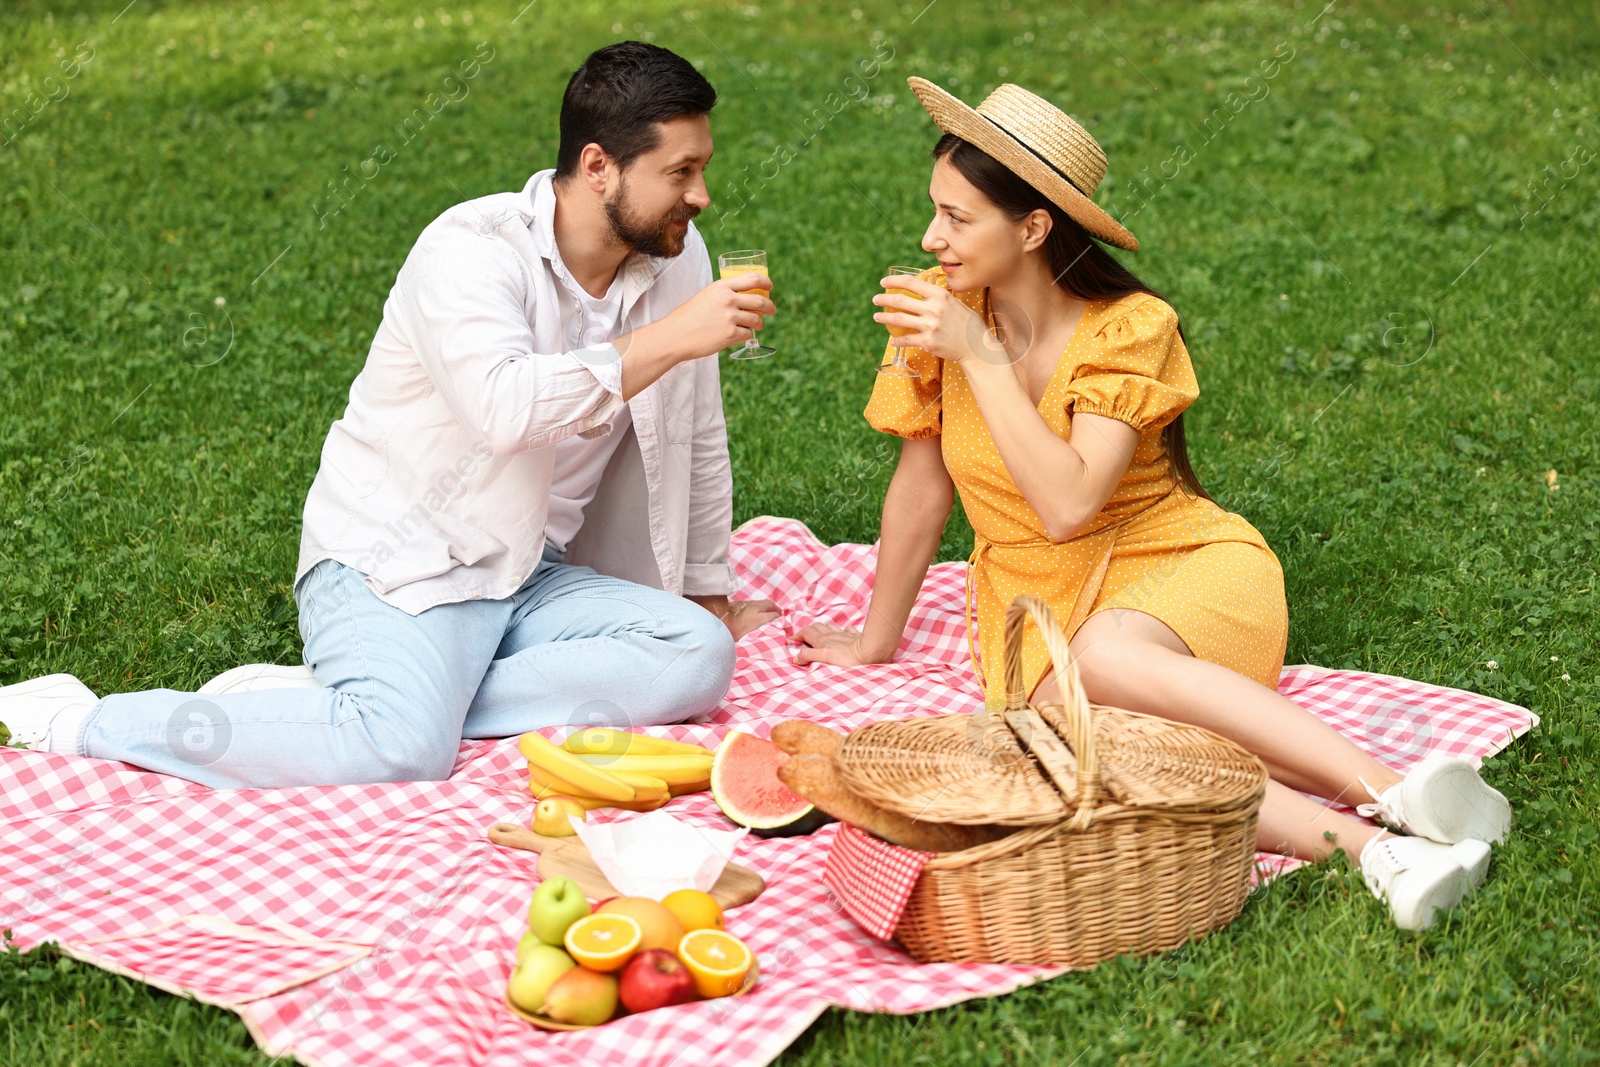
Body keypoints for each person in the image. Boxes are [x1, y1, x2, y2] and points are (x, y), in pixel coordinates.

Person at [795, 77, 1511, 931]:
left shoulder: (1127, 328)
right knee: (1077, 737)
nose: (930, 237)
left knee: (1099, 666)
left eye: (957, 218)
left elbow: (1068, 504)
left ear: (1032, 227)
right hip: (1039, 611)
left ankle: (1395, 793)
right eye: (933, 210)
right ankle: (1378, 851)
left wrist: (980, 358)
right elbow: (921, 487)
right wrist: (875, 644)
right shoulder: (943, 314)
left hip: (1182, 569)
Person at [0, 42, 779, 788]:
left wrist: (708, 587)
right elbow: (506, 409)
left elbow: (697, 433)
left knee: (698, 655)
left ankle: (396, 693)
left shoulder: (679, 258)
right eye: (681, 172)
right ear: (598, 166)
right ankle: (85, 719)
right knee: (405, 750)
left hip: (535, 571)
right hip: (404, 563)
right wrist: (669, 339)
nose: (702, 196)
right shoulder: (469, 251)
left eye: (702, 168)